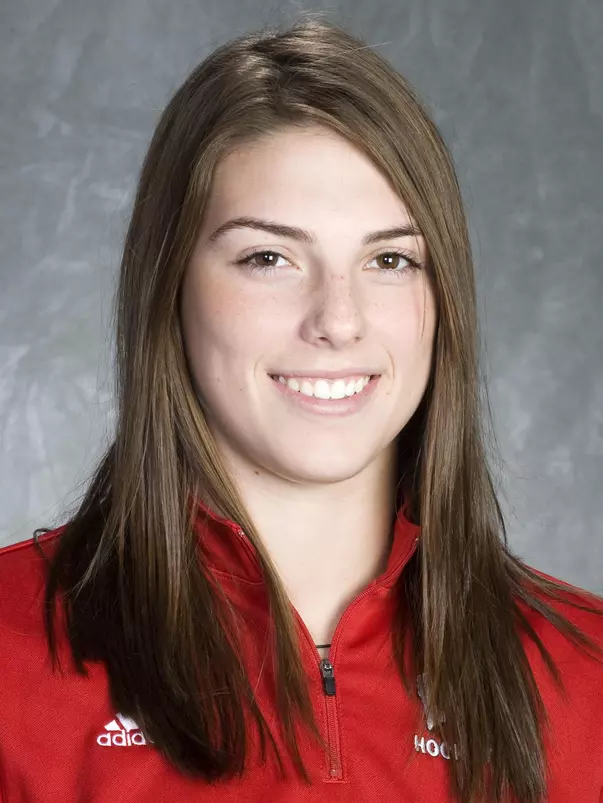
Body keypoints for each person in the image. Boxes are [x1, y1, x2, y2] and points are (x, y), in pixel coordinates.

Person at [0, 12, 602, 803]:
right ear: (169, 286)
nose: (338, 319)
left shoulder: (588, 678)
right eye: (269, 257)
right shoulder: (11, 668)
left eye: (389, 258)